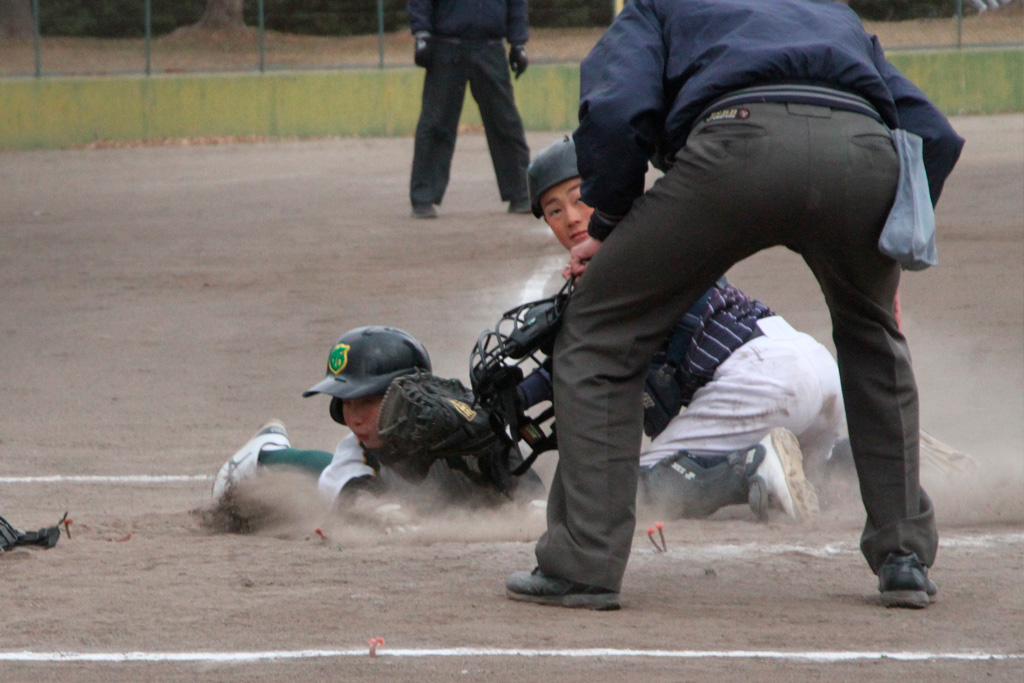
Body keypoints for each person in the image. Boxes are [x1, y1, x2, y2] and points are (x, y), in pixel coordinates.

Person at [505, 0, 964, 612]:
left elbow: (615, 111)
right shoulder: (829, 12)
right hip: (861, 154)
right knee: (872, 338)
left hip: (738, 142)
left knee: (597, 332)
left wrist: (610, 221)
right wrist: (894, 238)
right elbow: (934, 132)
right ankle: (904, 555)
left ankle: (582, 563)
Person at [523, 136, 846, 522]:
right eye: (554, 210)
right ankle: (865, 459)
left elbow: (581, 360)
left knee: (634, 493)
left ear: (606, 192)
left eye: (580, 198)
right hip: (811, 367)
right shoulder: (658, 233)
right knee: (818, 480)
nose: (571, 217)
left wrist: (518, 394)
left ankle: (751, 467)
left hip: (762, 383)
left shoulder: (614, 264)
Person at [212, 326, 544, 519]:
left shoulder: (463, 427)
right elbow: (353, 494)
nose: (353, 417)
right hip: (338, 475)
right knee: (321, 474)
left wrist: (531, 502)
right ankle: (264, 453)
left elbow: (512, 469)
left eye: (368, 401)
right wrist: (376, 512)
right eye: (346, 403)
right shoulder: (356, 451)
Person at [407, 0, 532, 218]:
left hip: (490, 48)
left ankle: (521, 194)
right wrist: (422, 32)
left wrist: (518, 42)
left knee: (506, 124)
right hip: (445, 47)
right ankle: (423, 198)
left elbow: (516, 3)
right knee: (436, 123)